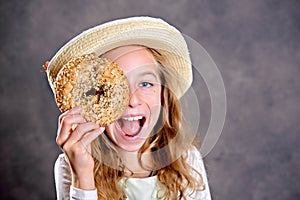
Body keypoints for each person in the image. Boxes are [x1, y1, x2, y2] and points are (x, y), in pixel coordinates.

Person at [47, 16, 212, 200]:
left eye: (146, 83)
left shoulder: (187, 159)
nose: (132, 100)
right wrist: (83, 177)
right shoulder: (71, 165)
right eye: (116, 87)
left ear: (163, 95)